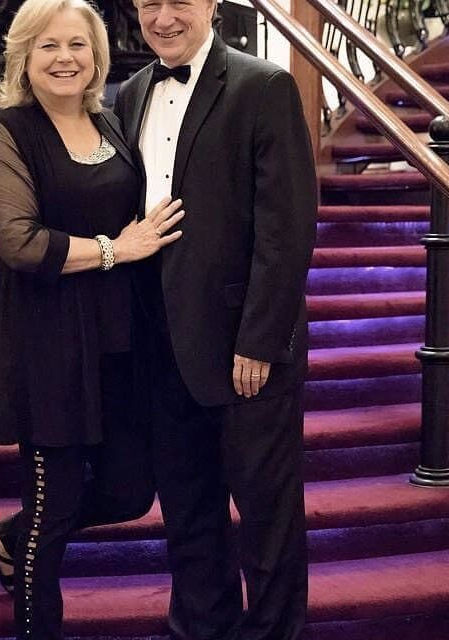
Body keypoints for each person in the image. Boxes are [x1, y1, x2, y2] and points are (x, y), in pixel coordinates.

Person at [0, 0, 184, 637]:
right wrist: (121, 248)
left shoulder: (114, 123)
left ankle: (8, 538)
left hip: (120, 341)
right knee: (52, 510)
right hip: (49, 344)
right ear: (24, 58)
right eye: (48, 47)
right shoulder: (9, 131)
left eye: (77, 46)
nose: (65, 59)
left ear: (98, 56)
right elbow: (21, 243)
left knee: (129, 492)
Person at [112, 0, 318, 638]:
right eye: (150, 5)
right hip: (161, 343)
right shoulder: (129, 93)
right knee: (189, 513)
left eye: (180, 2)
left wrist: (258, 340)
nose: (164, 18)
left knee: (267, 519)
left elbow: (287, 230)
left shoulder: (264, 86)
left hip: (242, 348)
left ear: (210, 6)